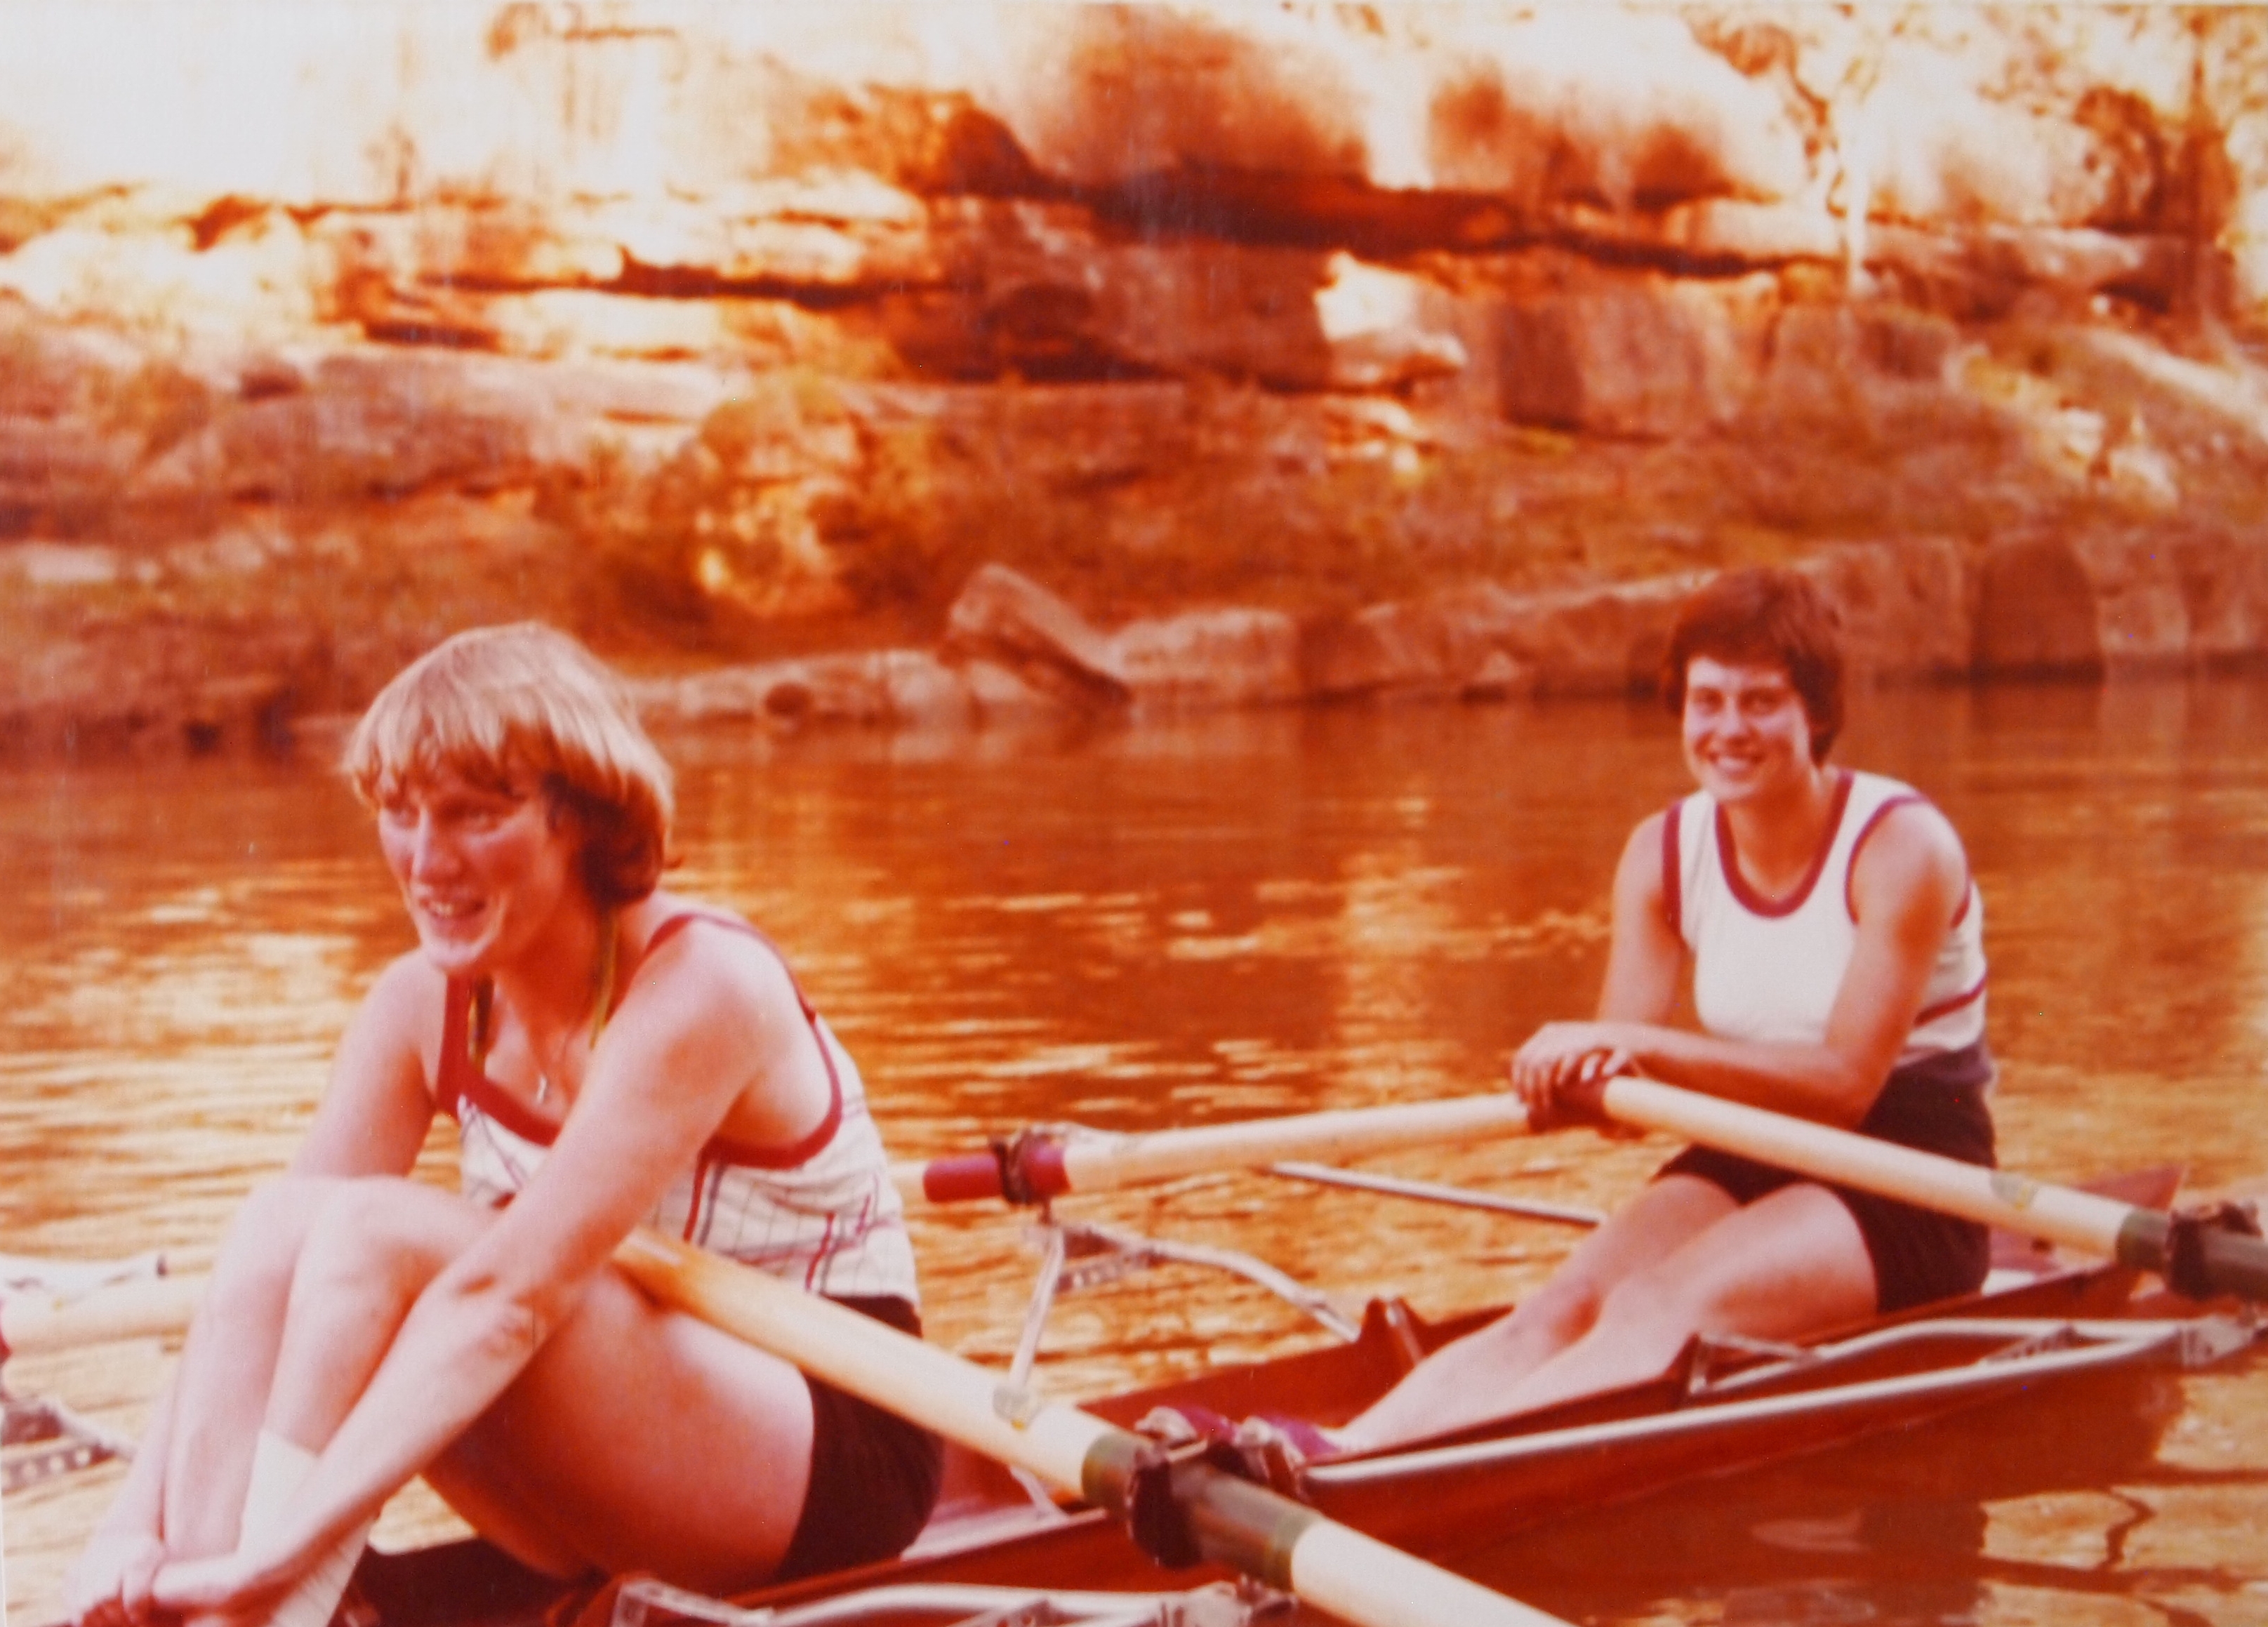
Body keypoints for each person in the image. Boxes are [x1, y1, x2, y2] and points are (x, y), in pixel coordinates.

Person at [66, 623, 941, 1627]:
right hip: (611, 1448)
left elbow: (507, 1298)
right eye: (401, 813)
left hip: (829, 1452)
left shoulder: (705, 985)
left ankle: (260, 1599)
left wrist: (283, 1549)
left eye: (474, 814)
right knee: (279, 1223)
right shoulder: (418, 1004)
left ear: (581, 815)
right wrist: (124, 1532)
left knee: (374, 1234)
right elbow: (251, 1293)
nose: (427, 860)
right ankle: (215, 1601)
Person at [1339, 566, 1994, 1451]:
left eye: (1762, 702)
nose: (1730, 730)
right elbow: (1624, 1092)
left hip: (1909, 1169)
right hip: (1751, 1138)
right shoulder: (1660, 852)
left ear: (1817, 715)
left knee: (1656, 1302)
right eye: (1707, 701)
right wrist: (1574, 1080)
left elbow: (1844, 1085)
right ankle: (1333, 1459)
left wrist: (1630, 1045)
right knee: (1567, 1303)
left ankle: (1439, 1477)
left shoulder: (1903, 847)